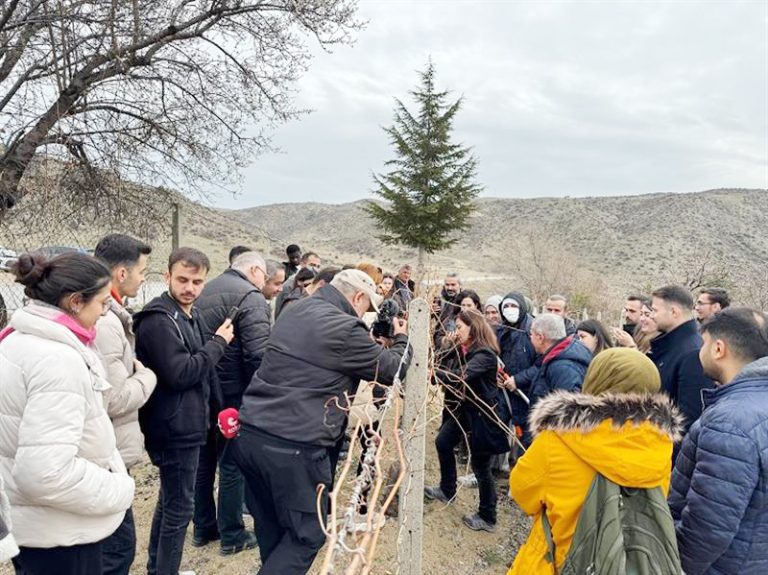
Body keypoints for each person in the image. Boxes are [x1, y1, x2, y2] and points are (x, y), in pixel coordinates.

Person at [231, 269, 410, 574]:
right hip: (294, 446)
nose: (366, 315)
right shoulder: (344, 328)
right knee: (307, 535)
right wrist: (401, 336)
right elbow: (394, 368)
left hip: (251, 436)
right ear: (357, 297)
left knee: (272, 527)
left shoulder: (294, 309)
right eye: (366, 307)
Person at [0, 253, 134, 574]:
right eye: (102, 303)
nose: (106, 312)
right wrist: (119, 488)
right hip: (62, 533)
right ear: (75, 302)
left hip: (36, 525)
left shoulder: (18, 340)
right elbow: (45, 473)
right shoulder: (57, 360)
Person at [509, 348, 684, 575]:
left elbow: (522, 492)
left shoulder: (558, 439)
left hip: (559, 561)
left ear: (596, 378)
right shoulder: (659, 442)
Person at [134, 248, 235, 575]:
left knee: (170, 502)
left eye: (196, 281)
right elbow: (182, 373)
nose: (189, 287)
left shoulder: (187, 315)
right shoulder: (159, 320)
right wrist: (219, 343)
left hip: (189, 424)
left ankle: (158, 568)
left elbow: (201, 374)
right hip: (173, 428)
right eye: (182, 279)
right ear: (167, 277)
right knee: (180, 510)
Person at [669, 308, 768, 575]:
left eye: (704, 343)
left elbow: (706, 529)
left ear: (719, 349)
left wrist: (671, 567)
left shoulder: (729, 422)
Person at [192, 251, 271, 555]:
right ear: (254, 270)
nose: (264, 281)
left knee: (204, 461)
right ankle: (232, 534)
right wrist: (260, 396)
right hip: (235, 394)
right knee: (232, 463)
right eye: (263, 274)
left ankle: (202, 527)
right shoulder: (251, 297)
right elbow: (257, 354)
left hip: (203, 389)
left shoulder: (205, 290)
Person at [93, 234, 158, 575]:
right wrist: (148, 377)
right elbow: (114, 398)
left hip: (113, 450)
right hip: (108, 453)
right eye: (142, 270)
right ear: (121, 273)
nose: (144, 277)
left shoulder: (110, 316)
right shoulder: (105, 324)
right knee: (116, 551)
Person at [426, 309, 508, 533]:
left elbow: (459, 376)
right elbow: (443, 362)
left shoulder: (485, 354)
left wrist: (432, 372)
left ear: (473, 329)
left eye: (459, 327)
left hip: (483, 416)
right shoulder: (464, 348)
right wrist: (447, 346)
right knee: (443, 442)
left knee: (481, 467)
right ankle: (447, 489)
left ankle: (488, 516)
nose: (456, 331)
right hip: (465, 411)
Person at [649, 285, 714, 435]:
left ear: (673, 312)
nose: (651, 315)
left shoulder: (692, 353)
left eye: (655, 310)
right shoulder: (672, 345)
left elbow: (688, 419)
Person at [505, 313, 591, 404]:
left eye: (531, 334)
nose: (530, 338)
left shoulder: (563, 369)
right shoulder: (556, 356)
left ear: (540, 337)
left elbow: (566, 411)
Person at [496, 292, 539, 448]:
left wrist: (518, 380)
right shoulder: (500, 330)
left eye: (513, 306)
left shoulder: (533, 330)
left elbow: (540, 365)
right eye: (506, 306)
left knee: (525, 436)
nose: (509, 309)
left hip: (526, 393)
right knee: (496, 428)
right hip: (502, 390)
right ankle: (495, 469)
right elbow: (494, 356)